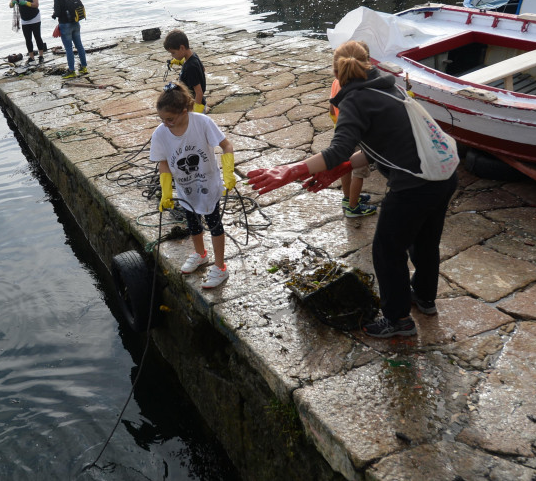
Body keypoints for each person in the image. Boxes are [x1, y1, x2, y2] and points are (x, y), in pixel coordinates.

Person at [247, 40, 458, 338]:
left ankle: (398, 320)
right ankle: (423, 297)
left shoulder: (354, 101)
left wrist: (289, 170)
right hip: (444, 173)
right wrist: (342, 169)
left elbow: (337, 150)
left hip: (414, 183)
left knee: (386, 249)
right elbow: (377, 146)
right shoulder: (388, 88)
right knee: (424, 242)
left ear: (336, 72)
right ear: (368, 63)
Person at [150, 82, 236, 289]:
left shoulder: (202, 122)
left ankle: (220, 266)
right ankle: (200, 254)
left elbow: (226, 145)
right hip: (185, 188)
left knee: (214, 224)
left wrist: (228, 173)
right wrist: (165, 192)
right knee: (193, 223)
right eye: (162, 119)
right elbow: (163, 164)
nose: (165, 123)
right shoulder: (160, 133)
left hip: (208, 183)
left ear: (183, 111)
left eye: (170, 119)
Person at [329, 42, 376, 218]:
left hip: (340, 131)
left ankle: (348, 198)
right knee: (359, 171)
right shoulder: (363, 89)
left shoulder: (336, 82)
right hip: (358, 137)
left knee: (345, 167)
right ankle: (353, 207)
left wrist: (336, 124)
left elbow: (331, 108)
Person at [50, 0, 87, 79]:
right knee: (79, 46)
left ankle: (71, 70)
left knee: (69, 49)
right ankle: (84, 67)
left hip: (65, 25)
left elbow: (57, 12)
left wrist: (53, 15)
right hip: (76, 23)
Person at [163, 29, 207, 113]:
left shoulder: (190, 67)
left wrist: (196, 113)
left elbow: (199, 93)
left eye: (173, 53)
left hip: (195, 105)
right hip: (196, 103)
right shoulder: (193, 56)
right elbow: (203, 69)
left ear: (182, 48)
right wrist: (177, 62)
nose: (172, 56)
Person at [10, 0, 47, 65]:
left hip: (35, 17)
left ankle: (41, 56)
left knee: (37, 37)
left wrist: (26, 3)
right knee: (27, 38)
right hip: (24, 19)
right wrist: (12, 3)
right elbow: (10, 5)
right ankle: (31, 57)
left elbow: (36, 4)